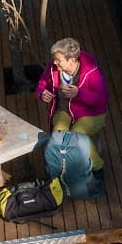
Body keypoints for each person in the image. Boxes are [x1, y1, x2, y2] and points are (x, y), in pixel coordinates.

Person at [35, 38, 108, 177]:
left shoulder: (91, 71)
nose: (54, 62)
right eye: (54, 59)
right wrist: (42, 93)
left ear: (72, 60)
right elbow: (42, 84)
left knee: (76, 136)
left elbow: (102, 99)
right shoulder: (53, 67)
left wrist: (79, 94)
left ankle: (97, 168)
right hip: (63, 110)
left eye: (58, 60)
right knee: (58, 137)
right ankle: (61, 171)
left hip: (90, 113)